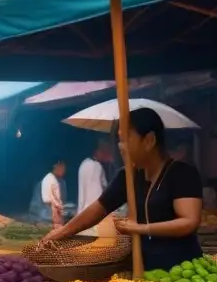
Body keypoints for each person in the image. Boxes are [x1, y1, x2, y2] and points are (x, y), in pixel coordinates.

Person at [42, 107, 203, 271]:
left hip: (183, 270)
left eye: (126, 139)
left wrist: (140, 228)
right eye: (119, 140)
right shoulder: (127, 176)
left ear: (149, 140)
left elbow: (189, 221)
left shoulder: (182, 173)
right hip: (143, 270)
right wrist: (63, 232)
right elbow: (97, 209)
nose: (120, 146)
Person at [77, 140, 113, 236]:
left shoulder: (83, 164)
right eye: (104, 151)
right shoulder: (97, 166)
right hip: (94, 216)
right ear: (97, 151)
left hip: (82, 214)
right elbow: (104, 190)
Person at [41, 160, 67, 228]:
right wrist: (57, 205)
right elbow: (47, 198)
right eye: (63, 168)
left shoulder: (57, 179)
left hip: (57, 211)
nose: (64, 171)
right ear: (57, 167)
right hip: (51, 213)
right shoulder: (48, 179)